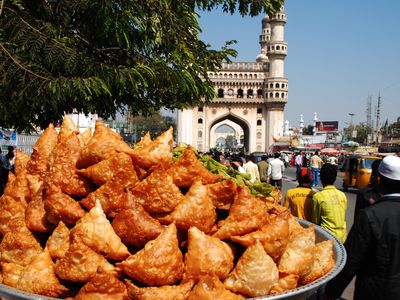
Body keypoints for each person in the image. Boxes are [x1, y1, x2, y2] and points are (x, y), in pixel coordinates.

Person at [324, 155, 400, 300]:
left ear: (379, 180)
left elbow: (351, 260)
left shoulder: (371, 215)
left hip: (373, 292)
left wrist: (331, 292)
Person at [310, 163, 347, 243]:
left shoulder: (318, 197)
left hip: (327, 237)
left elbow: (315, 221)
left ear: (321, 178)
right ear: (335, 178)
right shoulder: (342, 195)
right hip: (343, 237)